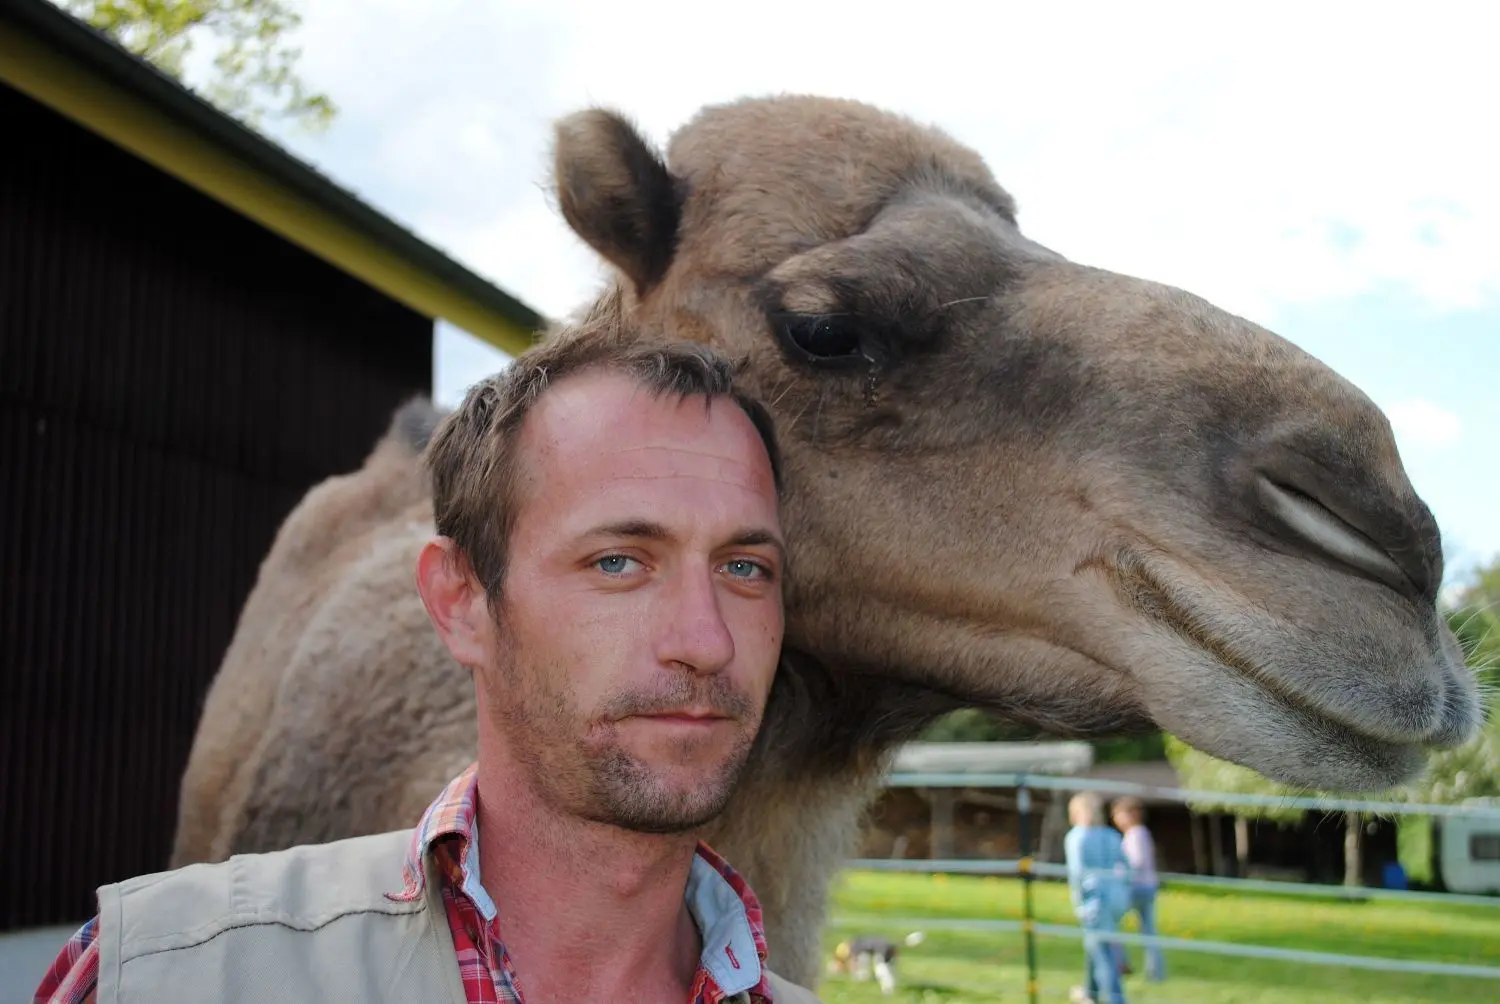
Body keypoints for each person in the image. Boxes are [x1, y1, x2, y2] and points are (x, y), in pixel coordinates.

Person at [33, 325, 822, 1003]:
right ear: (461, 603)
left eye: (744, 569)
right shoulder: (172, 974)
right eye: (619, 562)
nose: (707, 638)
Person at [1064, 791, 1131, 1004]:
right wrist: (1122, 890)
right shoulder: (1112, 835)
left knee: (1103, 954)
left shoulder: (1077, 837)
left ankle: (1116, 1000)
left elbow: (1077, 873)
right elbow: (1127, 867)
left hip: (1094, 901)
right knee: (1096, 945)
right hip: (1116, 899)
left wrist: (1079, 903)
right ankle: (1090, 994)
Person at [1110, 796, 1165, 982]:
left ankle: (1119, 963)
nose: (1117, 819)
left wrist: (1119, 873)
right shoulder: (1139, 833)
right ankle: (1155, 972)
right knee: (1149, 931)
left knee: (1112, 922)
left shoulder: (1136, 834)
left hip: (1136, 888)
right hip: (1146, 887)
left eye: (1119, 815)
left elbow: (1136, 862)